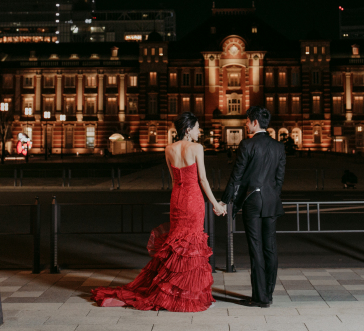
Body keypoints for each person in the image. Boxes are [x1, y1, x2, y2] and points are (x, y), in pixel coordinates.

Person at [92, 112, 223, 312]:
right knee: (191, 244)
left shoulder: (168, 148)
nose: (199, 131)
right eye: (197, 127)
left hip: (177, 199)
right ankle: (186, 293)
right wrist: (215, 204)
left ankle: (173, 288)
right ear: (188, 129)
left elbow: (173, 179)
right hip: (193, 200)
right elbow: (203, 180)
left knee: (176, 243)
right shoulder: (197, 148)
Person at [219, 106, 286, 308]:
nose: (246, 124)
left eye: (247, 121)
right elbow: (279, 179)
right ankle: (269, 293)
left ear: (255, 122)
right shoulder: (279, 147)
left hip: (253, 200)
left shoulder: (247, 145)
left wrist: (224, 201)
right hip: (272, 200)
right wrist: (272, 195)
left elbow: (236, 177)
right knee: (270, 248)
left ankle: (260, 296)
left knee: (255, 248)